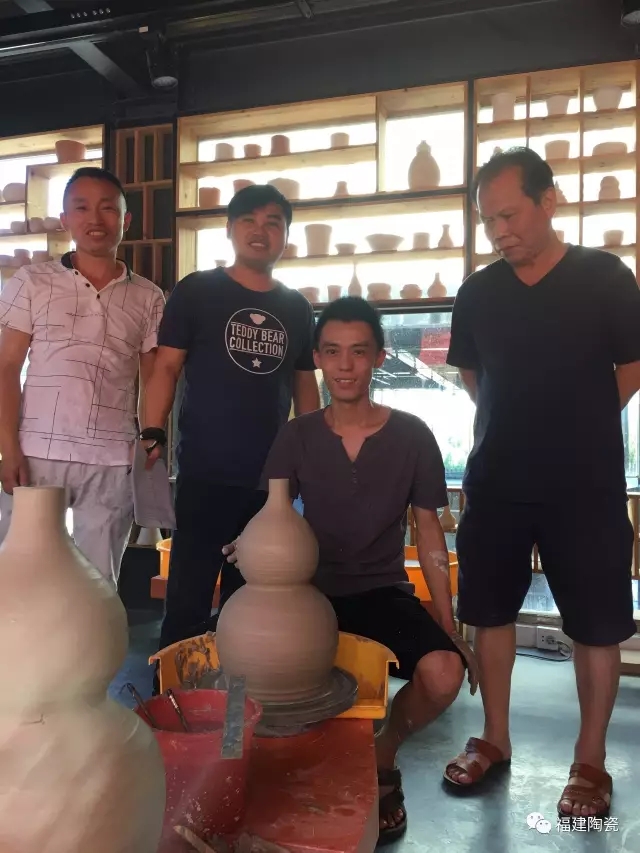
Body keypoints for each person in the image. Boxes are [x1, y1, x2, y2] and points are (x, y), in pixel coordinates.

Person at [223, 296, 478, 845]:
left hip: (379, 590)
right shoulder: (297, 435)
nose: (345, 365)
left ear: (379, 357)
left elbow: (429, 533)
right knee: (237, 657)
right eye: (333, 351)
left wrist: (449, 625)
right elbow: (273, 512)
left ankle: (383, 752)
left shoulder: (412, 435)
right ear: (317, 358)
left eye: (358, 352)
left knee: (443, 674)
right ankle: (247, 771)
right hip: (303, 594)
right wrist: (250, 545)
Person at [443, 147, 640, 818]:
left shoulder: (605, 276)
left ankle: (590, 760)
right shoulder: (477, 293)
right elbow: (473, 376)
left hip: (585, 481)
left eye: (510, 215)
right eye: (488, 221)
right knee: (489, 611)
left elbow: (632, 363)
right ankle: (495, 737)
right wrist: (515, 422)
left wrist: (581, 419)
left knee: (596, 622)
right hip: (497, 476)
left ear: (548, 200)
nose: (499, 231)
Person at [143, 184, 320, 653]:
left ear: (286, 236)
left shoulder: (297, 307)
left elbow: (305, 385)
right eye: (249, 221)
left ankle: (238, 686)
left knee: (251, 599)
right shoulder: (197, 290)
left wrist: (315, 452)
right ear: (229, 230)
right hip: (204, 471)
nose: (261, 231)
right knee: (188, 594)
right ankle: (172, 689)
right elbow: (166, 366)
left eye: (273, 223)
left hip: (270, 482)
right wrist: (152, 430)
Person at [0, 166, 165, 585]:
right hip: (37, 452)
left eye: (108, 208)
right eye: (82, 207)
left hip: (112, 457)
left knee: (99, 584)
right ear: (65, 219)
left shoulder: (148, 296)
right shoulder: (32, 281)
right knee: (18, 578)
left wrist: (151, 442)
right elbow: (6, 367)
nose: (96, 218)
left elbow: (153, 378)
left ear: (125, 220)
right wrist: (8, 449)